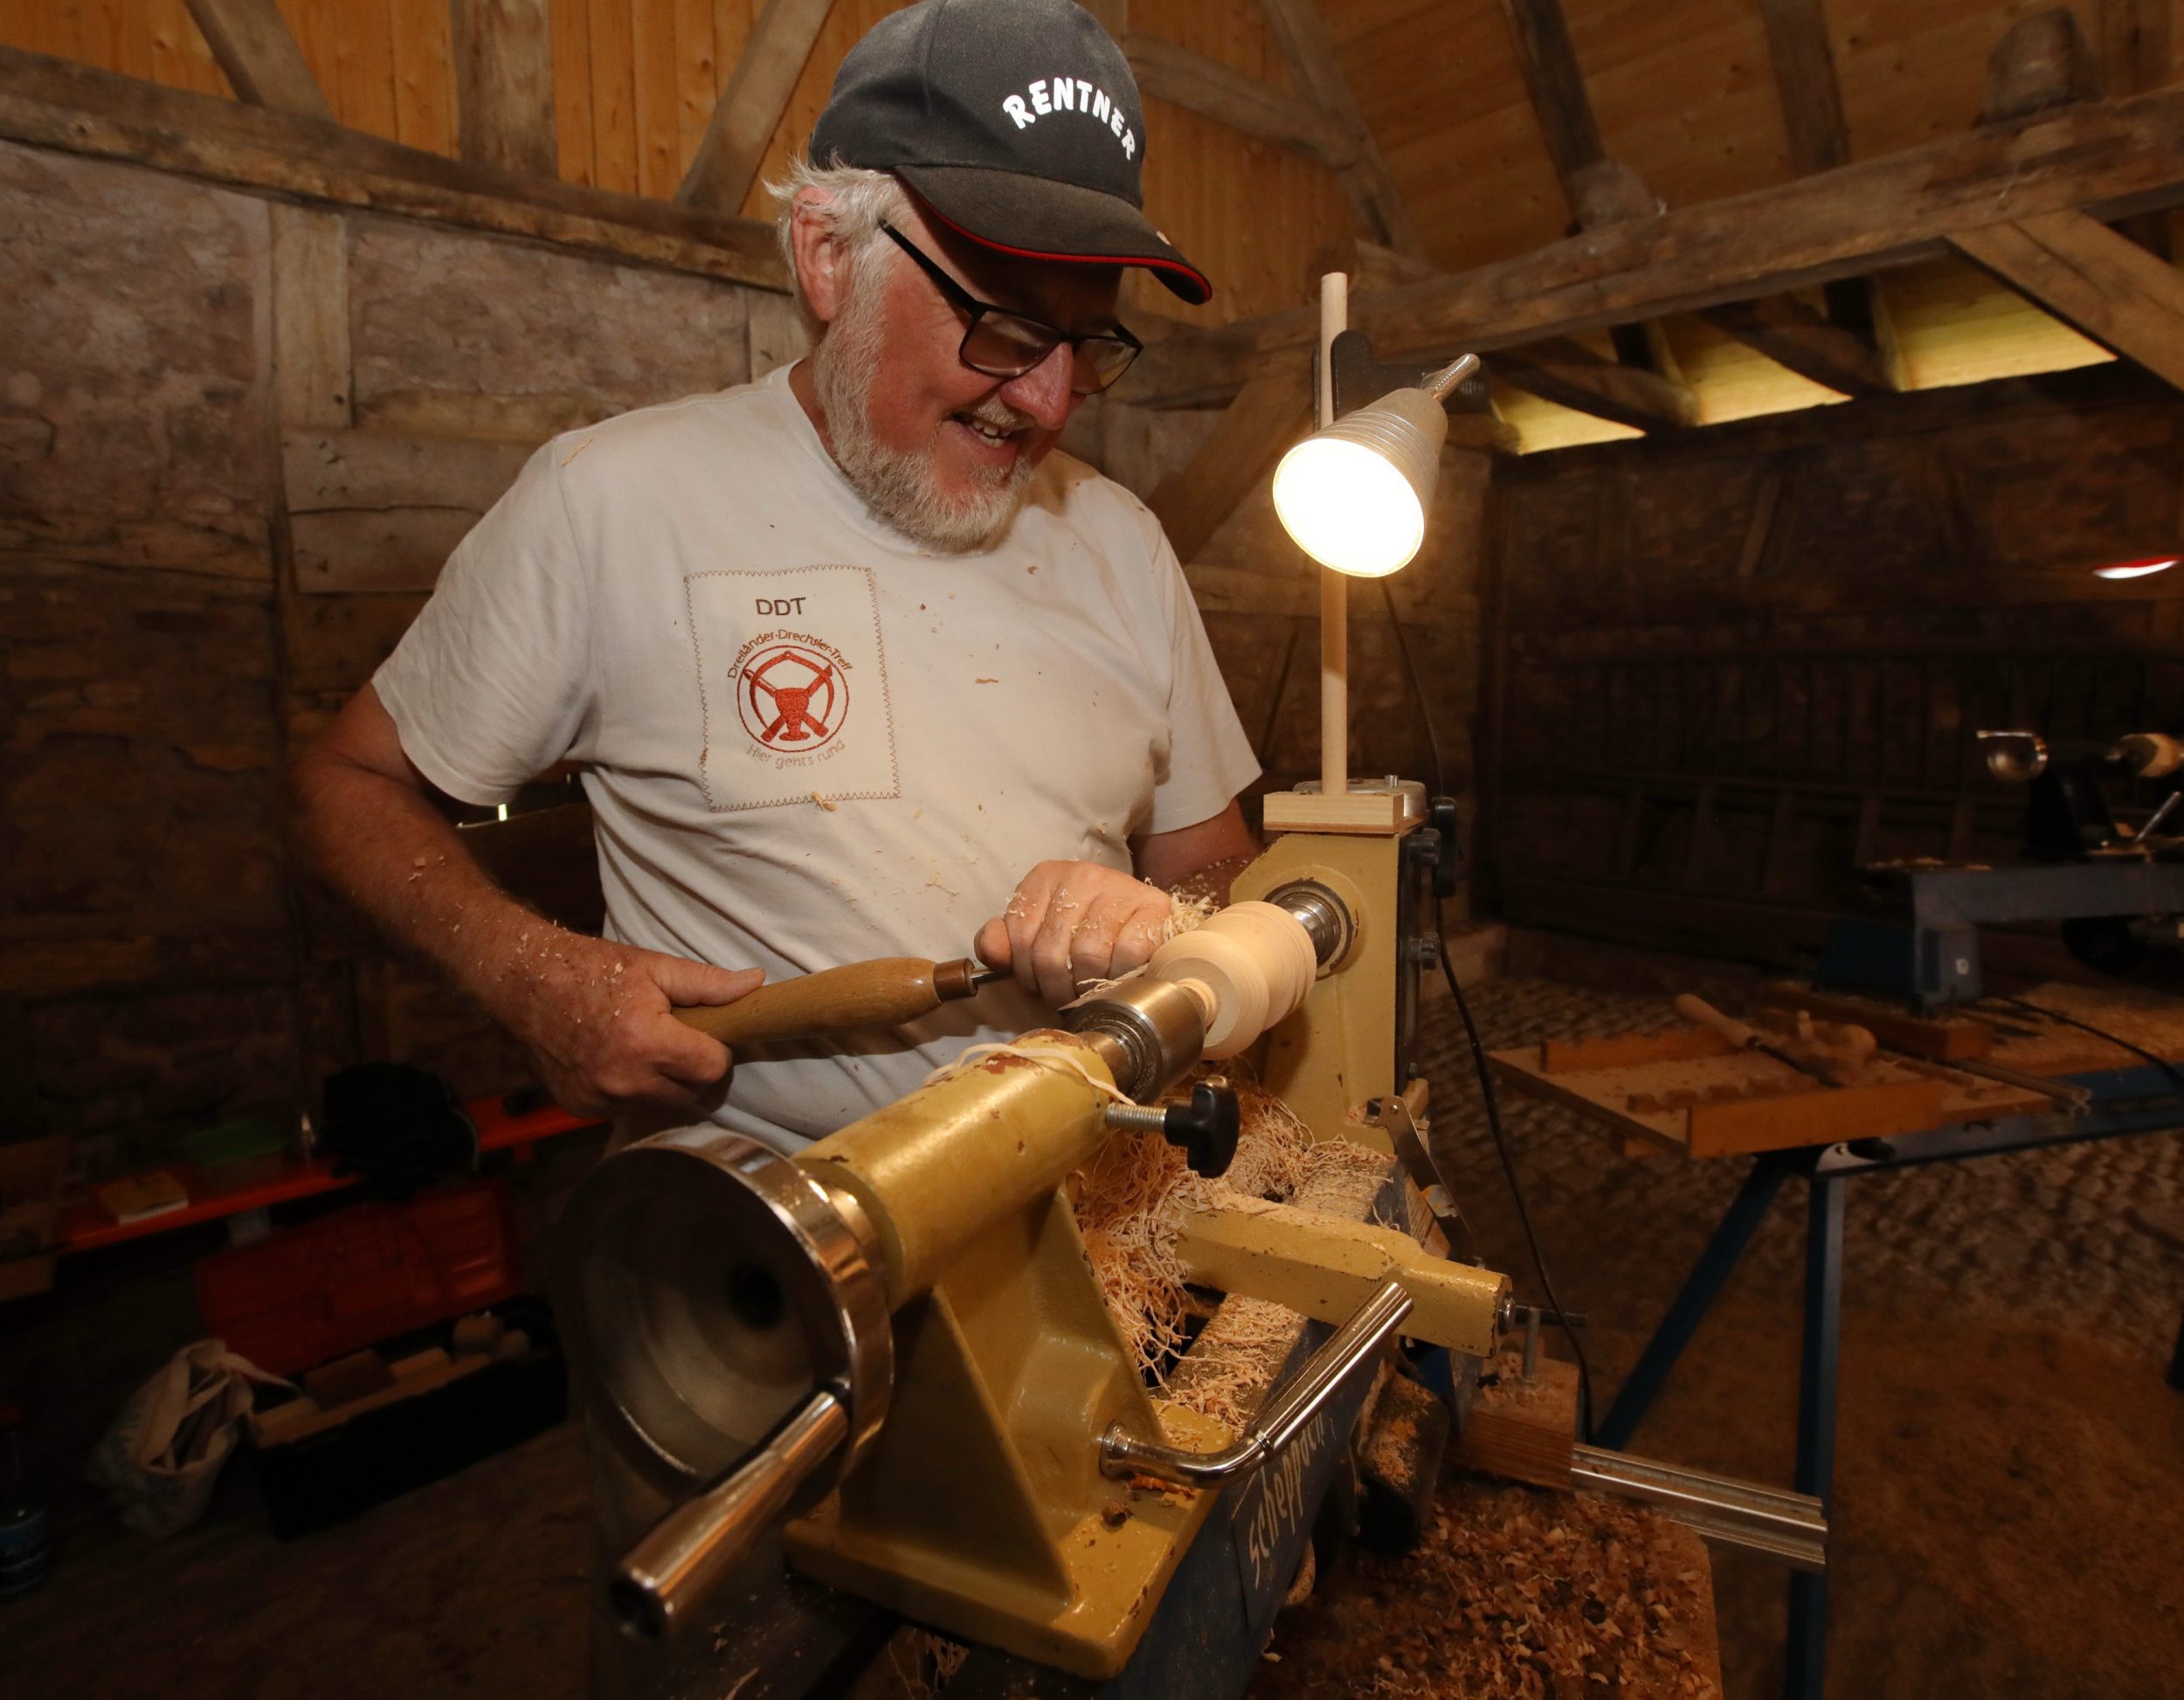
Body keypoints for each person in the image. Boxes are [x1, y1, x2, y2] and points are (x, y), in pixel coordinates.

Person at [287, 0, 1261, 1157]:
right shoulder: (614, 499)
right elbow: (343, 785)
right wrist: (527, 970)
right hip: (749, 1261)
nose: (1046, 402)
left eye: (1088, 344)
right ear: (829, 255)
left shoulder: (1124, 545)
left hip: (1077, 1224)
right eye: (1000, 325)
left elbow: (1217, 870)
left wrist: (1166, 920)